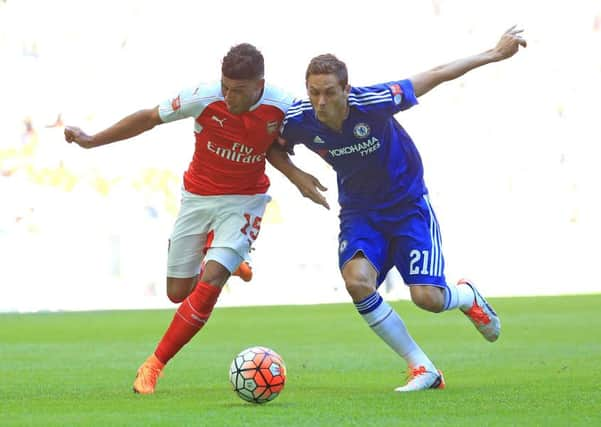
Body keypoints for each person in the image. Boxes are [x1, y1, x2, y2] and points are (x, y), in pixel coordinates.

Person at [270, 27, 527, 392]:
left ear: (346, 88)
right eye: (314, 93)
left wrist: (493, 53)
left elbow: (435, 74)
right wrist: (297, 176)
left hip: (407, 207)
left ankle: (467, 296)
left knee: (427, 299)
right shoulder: (298, 119)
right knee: (357, 282)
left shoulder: (374, 101)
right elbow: (270, 146)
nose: (321, 101)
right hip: (360, 213)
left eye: (329, 92)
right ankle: (422, 368)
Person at [64, 43, 328, 394]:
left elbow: (274, 146)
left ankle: (154, 364)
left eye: (238, 91)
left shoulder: (284, 106)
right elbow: (148, 118)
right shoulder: (203, 97)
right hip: (197, 198)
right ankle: (222, 252)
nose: (229, 96)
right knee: (178, 293)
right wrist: (92, 140)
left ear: (259, 85)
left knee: (212, 279)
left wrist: (298, 176)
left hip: (244, 201)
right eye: (225, 87)